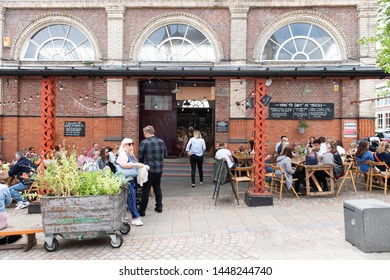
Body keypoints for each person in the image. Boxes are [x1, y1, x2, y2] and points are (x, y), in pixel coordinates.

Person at [138, 125, 168, 216]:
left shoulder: (144, 142)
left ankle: (142, 210)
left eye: (144, 133)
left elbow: (140, 157)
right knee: (157, 188)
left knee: (145, 190)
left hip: (148, 169)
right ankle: (159, 207)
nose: (144, 135)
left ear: (147, 133)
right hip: (159, 169)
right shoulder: (161, 141)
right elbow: (165, 155)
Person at [117, 138, 146, 226]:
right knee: (131, 196)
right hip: (126, 178)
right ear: (124, 145)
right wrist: (136, 164)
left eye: (132, 144)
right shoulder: (123, 153)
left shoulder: (129, 153)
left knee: (131, 196)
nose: (131, 146)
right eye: (129, 144)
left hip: (131, 178)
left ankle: (126, 216)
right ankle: (135, 217)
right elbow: (123, 165)